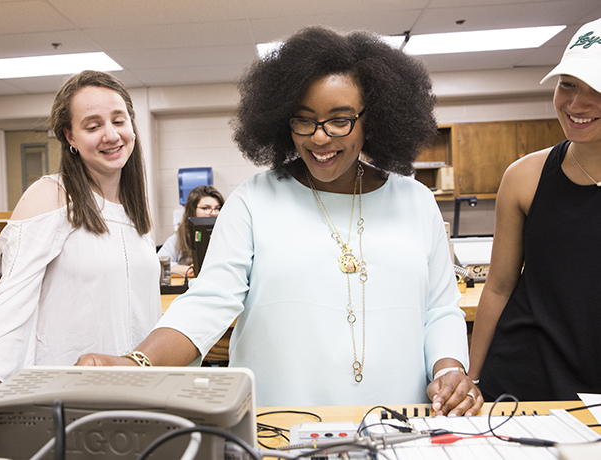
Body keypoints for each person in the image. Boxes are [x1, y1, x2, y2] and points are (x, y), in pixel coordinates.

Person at [78, 26, 481, 415]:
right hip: (280, 426)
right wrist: (137, 364)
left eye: (340, 120)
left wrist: (449, 370)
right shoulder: (254, 200)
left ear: (372, 118)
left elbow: (440, 309)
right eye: (304, 119)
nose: (319, 138)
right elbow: (208, 301)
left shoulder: (416, 201)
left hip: (398, 422)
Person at [0, 70, 162, 417]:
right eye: (92, 126)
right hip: (67, 397)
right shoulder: (52, 194)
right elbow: (11, 300)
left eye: (118, 120)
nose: (110, 135)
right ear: (69, 136)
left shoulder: (134, 209)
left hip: (134, 394)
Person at [469, 18, 601, 401]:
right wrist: (473, 381)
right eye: (569, 85)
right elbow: (498, 287)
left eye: (597, 90)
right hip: (522, 379)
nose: (577, 104)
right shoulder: (525, 176)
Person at [157, 185, 225, 277]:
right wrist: (189, 270)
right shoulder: (178, 239)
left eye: (217, 208)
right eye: (206, 208)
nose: (213, 213)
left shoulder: (227, 236)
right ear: (192, 210)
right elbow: (159, 264)